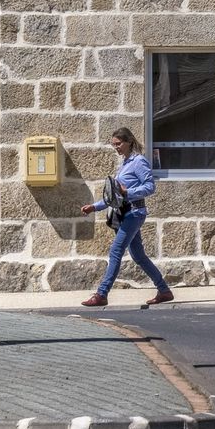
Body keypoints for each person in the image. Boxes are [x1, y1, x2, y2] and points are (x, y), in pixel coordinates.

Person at [79, 127, 174, 307]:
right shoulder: (124, 164)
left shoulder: (139, 162)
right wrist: (94, 207)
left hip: (134, 213)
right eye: (114, 145)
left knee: (116, 251)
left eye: (119, 144)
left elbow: (150, 187)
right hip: (124, 213)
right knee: (138, 256)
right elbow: (115, 197)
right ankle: (164, 290)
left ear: (129, 141)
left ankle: (102, 294)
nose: (116, 147)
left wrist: (127, 191)